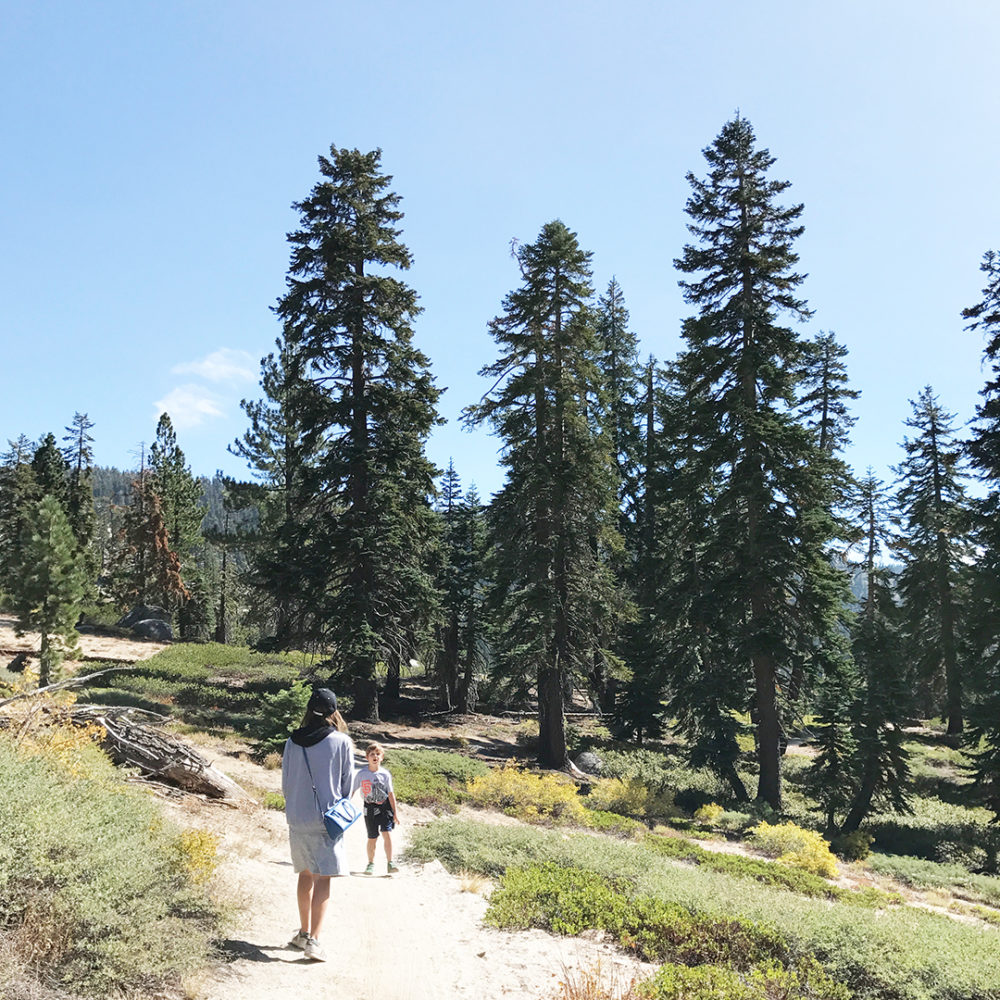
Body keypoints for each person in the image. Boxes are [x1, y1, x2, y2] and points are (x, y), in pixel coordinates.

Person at [280, 687, 354, 962]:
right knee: (324, 879)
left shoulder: (291, 741)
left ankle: (302, 933)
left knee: (305, 874)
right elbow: (348, 785)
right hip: (328, 819)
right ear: (334, 712)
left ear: (309, 710)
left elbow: (286, 783)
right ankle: (315, 941)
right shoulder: (341, 742)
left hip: (297, 818)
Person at [353, 741, 400, 875]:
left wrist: (395, 813)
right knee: (372, 837)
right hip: (369, 808)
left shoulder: (385, 774)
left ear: (382, 757)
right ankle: (370, 863)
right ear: (367, 757)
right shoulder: (362, 774)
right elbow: (352, 791)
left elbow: (391, 794)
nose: (375, 756)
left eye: (378, 754)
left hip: (385, 807)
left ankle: (390, 863)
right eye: (372, 754)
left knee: (387, 834)